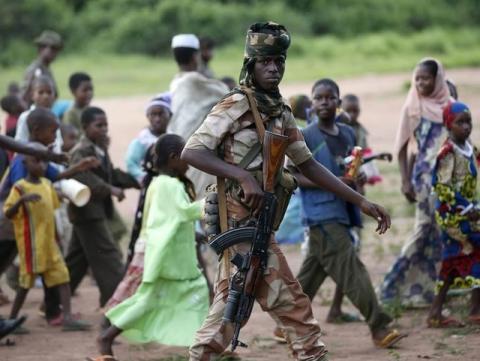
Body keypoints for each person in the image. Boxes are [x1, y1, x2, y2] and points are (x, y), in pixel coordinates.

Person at [182, 22, 391, 360]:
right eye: (266, 61)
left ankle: (204, 354)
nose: (274, 68)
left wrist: (361, 201)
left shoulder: (279, 111)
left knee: (231, 301)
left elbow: (308, 165)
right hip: (237, 221)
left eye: (279, 61)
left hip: (260, 222)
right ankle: (312, 353)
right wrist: (243, 177)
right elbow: (192, 151)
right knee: (290, 302)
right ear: (251, 64)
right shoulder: (234, 105)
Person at [288, 78, 404, 347]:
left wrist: (357, 176)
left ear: (339, 103)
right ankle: (379, 326)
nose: (324, 102)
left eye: (330, 98)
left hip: (343, 209)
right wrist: (329, 182)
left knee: (312, 272)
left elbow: (350, 169)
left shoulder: (348, 134)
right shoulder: (306, 136)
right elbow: (292, 175)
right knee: (352, 270)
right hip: (321, 212)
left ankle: (287, 322)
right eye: (319, 98)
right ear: (312, 104)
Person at [92, 134, 209, 359]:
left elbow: (168, 217)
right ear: (174, 158)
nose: (189, 163)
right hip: (164, 254)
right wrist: (213, 201)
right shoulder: (170, 186)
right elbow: (184, 212)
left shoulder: (158, 183)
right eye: (186, 157)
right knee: (158, 297)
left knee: (155, 297)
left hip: (162, 251)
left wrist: (194, 232)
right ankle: (107, 336)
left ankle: (203, 344)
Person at [0, 108, 98, 324]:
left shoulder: (37, 157)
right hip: (13, 226)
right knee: (20, 271)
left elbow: (53, 176)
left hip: (36, 229)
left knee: (52, 271)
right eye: (52, 132)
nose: (56, 136)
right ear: (36, 130)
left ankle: (54, 312)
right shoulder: (25, 159)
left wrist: (75, 166)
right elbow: (20, 188)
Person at [380, 58, 452, 307]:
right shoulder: (413, 106)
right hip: (423, 180)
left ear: (438, 79)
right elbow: (402, 147)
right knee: (423, 231)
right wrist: (405, 181)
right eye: (417, 78)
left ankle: (423, 291)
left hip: (447, 180)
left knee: (440, 234)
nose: (420, 83)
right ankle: (391, 285)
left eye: (426, 78)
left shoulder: (450, 106)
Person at [65, 106, 139, 307]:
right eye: (99, 125)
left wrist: (134, 181)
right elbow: (82, 176)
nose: (104, 129)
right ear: (84, 127)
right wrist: (110, 189)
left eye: (105, 124)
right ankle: (117, 304)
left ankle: (53, 304)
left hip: (92, 212)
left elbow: (110, 173)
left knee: (76, 262)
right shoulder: (81, 150)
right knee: (109, 256)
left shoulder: (99, 147)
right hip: (87, 212)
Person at [427, 101, 480, 327]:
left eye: (469, 122)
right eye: (460, 123)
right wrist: (465, 208)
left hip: (468, 211)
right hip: (452, 215)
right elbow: (441, 186)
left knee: (459, 258)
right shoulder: (447, 152)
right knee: (471, 250)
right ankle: (471, 309)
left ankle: (440, 313)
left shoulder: (470, 148)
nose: (466, 127)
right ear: (449, 125)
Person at [168, 34, 228, 198]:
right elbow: (225, 93)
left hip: (180, 147)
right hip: (197, 150)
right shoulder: (195, 81)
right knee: (206, 202)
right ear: (196, 56)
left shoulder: (175, 82)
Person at [125, 94, 171, 183]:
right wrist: (144, 178)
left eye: (161, 114)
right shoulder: (142, 140)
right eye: (153, 114)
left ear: (170, 115)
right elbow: (131, 163)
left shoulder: (173, 137)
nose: (157, 119)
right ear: (147, 116)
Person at [15, 76, 64, 154]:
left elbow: (58, 145)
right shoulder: (26, 117)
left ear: (54, 95)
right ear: (32, 95)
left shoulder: (54, 117)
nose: (46, 96)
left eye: (49, 92)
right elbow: (20, 143)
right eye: (41, 92)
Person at [21, 30, 62, 105]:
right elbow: (25, 96)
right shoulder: (35, 69)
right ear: (40, 49)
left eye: (56, 49)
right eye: (52, 49)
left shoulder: (45, 68)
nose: (54, 53)